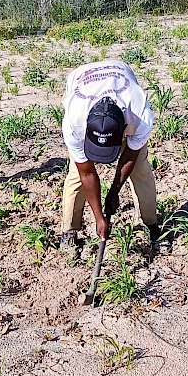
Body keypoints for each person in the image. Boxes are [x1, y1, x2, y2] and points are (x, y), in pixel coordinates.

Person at [60, 59, 162, 258]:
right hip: (83, 78)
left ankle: (150, 222)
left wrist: (114, 192)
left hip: (120, 80)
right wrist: (99, 217)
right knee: (75, 174)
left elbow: (130, 155)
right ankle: (69, 229)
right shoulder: (74, 122)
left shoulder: (140, 114)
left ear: (124, 130)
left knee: (140, 168)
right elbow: (86, 172)